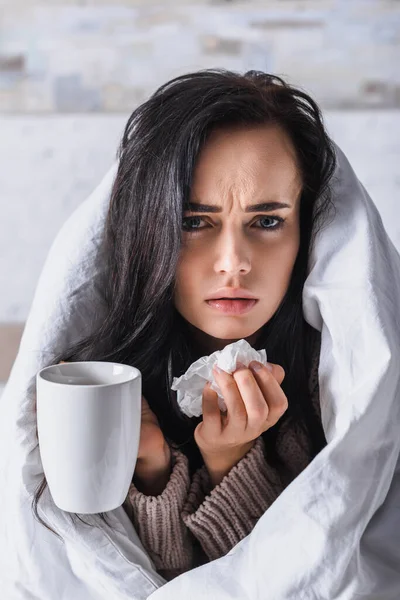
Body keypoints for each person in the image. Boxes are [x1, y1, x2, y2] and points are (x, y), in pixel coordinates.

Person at [31, 68, 336, 582]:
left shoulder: (333, 380)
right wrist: (150, 468)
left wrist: (231, 462)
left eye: (266, 221)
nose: (233, 262)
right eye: (194, 222)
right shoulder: (106, 374)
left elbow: (299, 580)